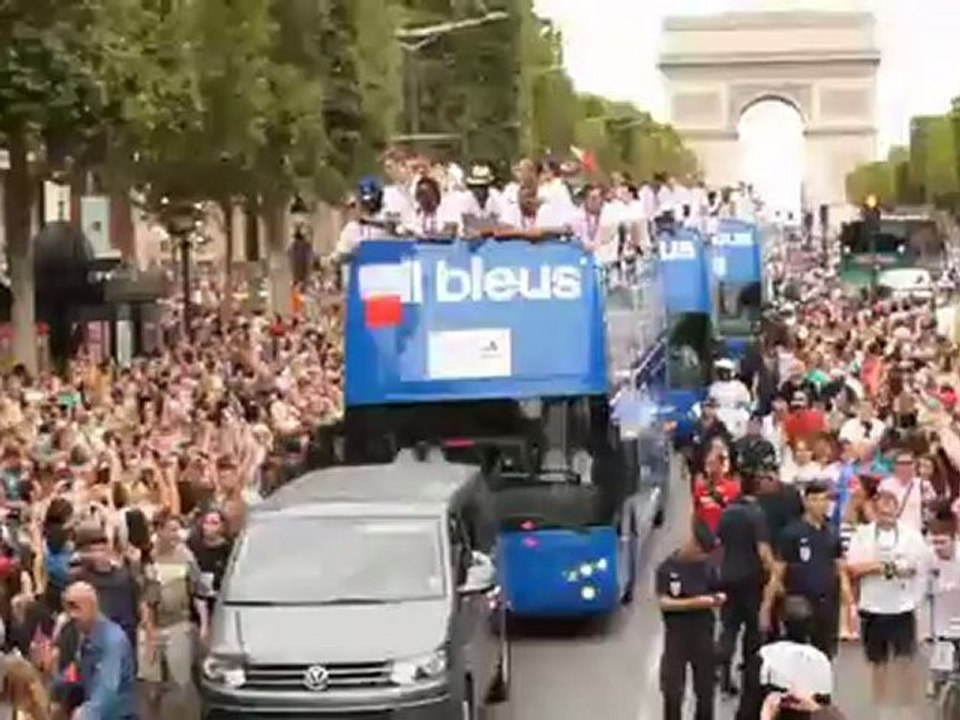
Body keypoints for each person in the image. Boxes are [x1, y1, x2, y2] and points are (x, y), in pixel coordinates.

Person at [846, 487, 930, 719]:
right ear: (875, 509)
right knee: (878, 663)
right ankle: (881, 711)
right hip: (872, 606)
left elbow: (916, 567)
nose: (886, 514)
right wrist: (885, 567)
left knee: (904, 661)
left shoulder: (911, 535)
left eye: (891, 510)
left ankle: (905, 710)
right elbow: (854, 567)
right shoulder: (862, 534)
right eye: (882, 510)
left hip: (902, 606)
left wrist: (881, 567)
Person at [761, 481, 853, 659]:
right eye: (816, 500)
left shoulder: (832, 531)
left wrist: (846, 593)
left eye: (824, 500)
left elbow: (839, 564)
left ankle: (822, 686)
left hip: (828, 599)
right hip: (800, 598)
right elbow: (779, 570)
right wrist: (767, 605)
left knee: (825, 652)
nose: (821, 504)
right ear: (806, 502)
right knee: (799, 652)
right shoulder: (792, 533)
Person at [656, 518, 725, 720]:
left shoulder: (708, 566)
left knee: (705, 690)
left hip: (703, 633)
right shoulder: (667, 569)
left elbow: (720, 591)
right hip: (676, 636)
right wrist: (695, 603)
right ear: (692, 544)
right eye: (700, 551)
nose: (702, 557)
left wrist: (717, 599)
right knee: (672, 690)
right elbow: (664, 602)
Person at [715, 471, 775, 706]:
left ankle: (723, 672)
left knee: (729, 627)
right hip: (752, 579)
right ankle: (752, 678)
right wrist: (774, 573)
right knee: (753, 630)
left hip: (728, 576)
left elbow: (719, 542)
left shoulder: (727, 512)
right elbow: (762, 549)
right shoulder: (756, 514)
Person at [52, 581, 137, 720]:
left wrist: (86, 714)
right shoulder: (83, 637)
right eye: (67, 608)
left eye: (75, 607)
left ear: (92, 606)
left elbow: (107, 688)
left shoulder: (112, 640)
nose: (71, 615)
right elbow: (75, 673)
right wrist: (51, 688)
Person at [752, 595, 834, 720]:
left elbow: (749, 704)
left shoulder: (765, 656)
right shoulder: (821, 660)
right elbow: (824, 706)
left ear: (781, 625)